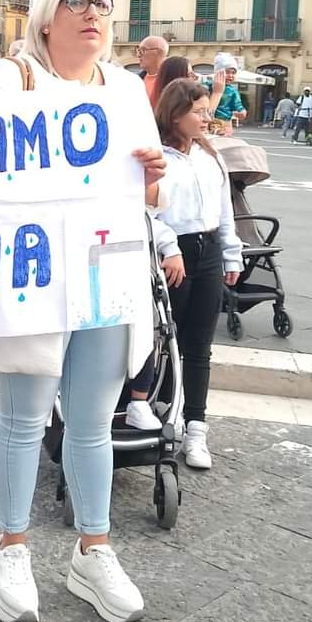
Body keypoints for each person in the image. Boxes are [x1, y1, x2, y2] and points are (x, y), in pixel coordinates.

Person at [0, 0, 167, 622]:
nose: (92, 13)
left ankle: (95, 548)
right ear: (48, 16)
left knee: (91, 422)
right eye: (76, 1)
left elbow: (145, 191)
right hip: (33, 269)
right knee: (24, 415)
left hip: (105, 266)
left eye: (102, 3)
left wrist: (153, 176)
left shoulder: (126, 87)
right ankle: (12, 547)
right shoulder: (11, 78)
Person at [129, 79, 242, 470]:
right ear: (176, 115)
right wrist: (169, 247)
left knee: (199, 345)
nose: (206, 118)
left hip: (208, 251)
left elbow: (224, 210)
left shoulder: (211, 157)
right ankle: (165, 411)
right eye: (199, 112)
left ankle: (196, 426)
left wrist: (232, 255)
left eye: (207, 111)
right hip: (172, 257)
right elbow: (147, 212)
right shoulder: (156, 158)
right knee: (164, 339)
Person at [205, 53, 246, 129]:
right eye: (227, 72)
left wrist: (242, 112)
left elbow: (238, 106)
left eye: (233, 73)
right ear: (218, 72)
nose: (230, 75)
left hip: (225, 123)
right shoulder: (207, 86)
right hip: (210, 121)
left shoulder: (232, 91)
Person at [136, 35, 168, 107]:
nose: (138, 55)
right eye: (138, 51)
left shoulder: (172, 81)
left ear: (159, 52)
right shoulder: (136, 81)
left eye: (143, 50)